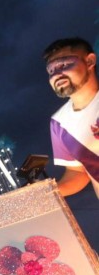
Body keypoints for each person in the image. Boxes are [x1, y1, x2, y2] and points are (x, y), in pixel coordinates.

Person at [43, 37, 99, 198]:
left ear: (89, 61)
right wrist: (48, 193)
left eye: (64, 65)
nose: (57, 75)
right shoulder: (59, 123)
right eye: (51, 70)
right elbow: (78, 171)